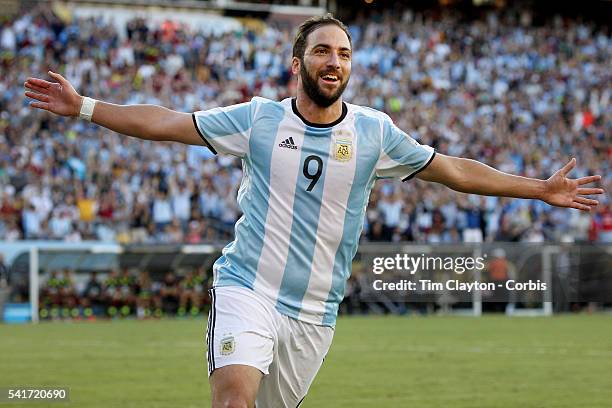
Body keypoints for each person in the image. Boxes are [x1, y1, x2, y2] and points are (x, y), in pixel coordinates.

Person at [23, 14, 604, 408]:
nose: (335, 61)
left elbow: (453, 170)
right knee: (233, 398)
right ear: (296, 63)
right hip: (248, 287)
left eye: (344, 54)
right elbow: (168, 122)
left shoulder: (375, 133)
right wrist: (86, 108)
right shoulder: (257, 120)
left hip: (314, 314)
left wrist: (537, 189)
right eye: (323, 50)